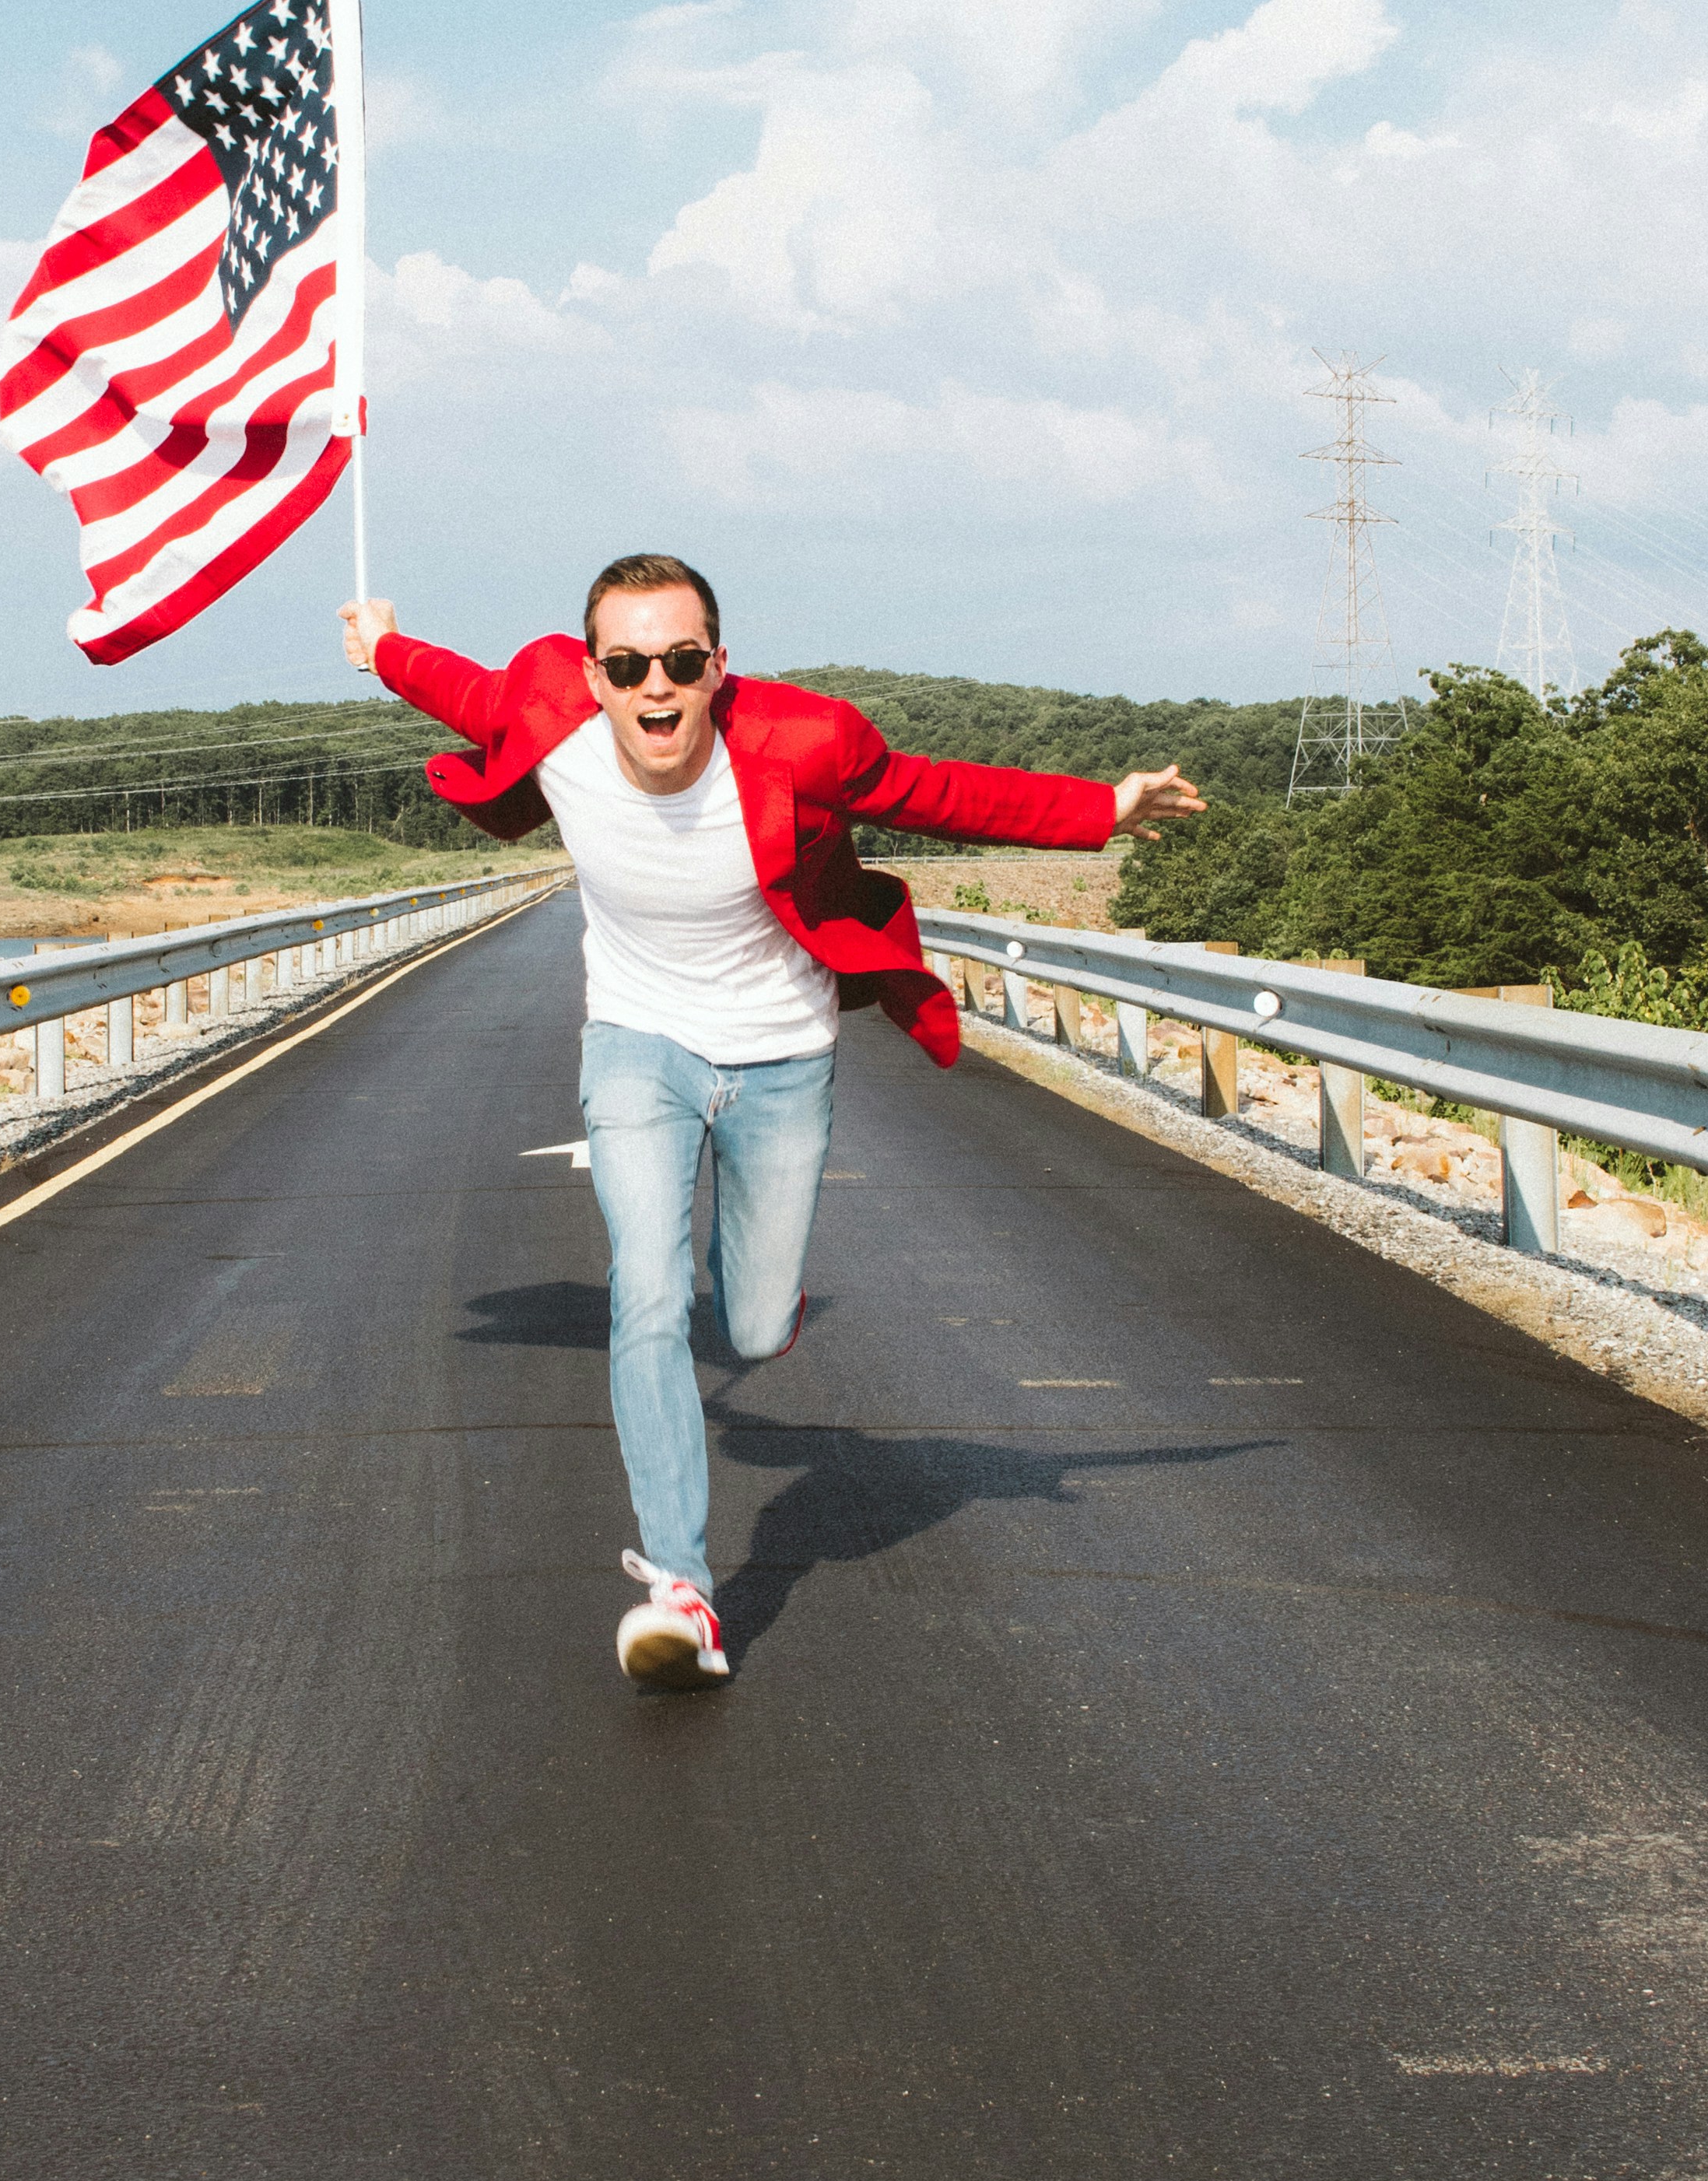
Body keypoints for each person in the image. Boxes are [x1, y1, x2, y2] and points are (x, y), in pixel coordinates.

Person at [342, 556, 1203, 1688]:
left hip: (782, 1051)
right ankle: (682, 1588)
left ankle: (758, 1294)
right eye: (628, 665)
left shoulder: (802, 742)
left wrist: (1102, 805)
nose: (656, 687)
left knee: (747, 1330)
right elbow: (453, 683)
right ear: (592, 674)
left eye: (681, 662)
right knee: (645, 1292)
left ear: (717, 666)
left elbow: (937, 791)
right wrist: (383, 645)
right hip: (635, 1042)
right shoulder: (544, 713)